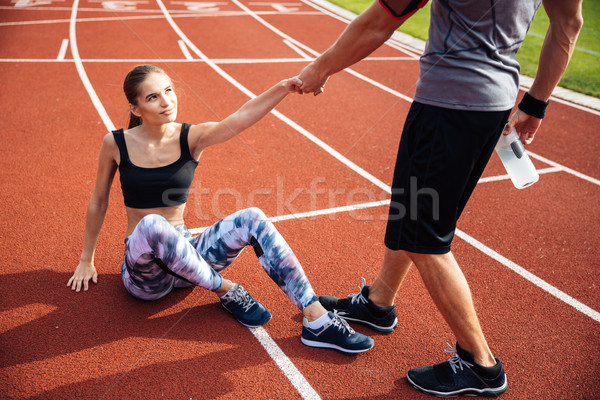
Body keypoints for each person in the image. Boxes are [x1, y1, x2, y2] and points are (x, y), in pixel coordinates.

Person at [296, 0, 583, 396]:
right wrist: (536, 102)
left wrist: (320, 67)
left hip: (448, 107)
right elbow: (569, 22)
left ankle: (480, 363)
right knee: (414, 215)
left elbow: (379, 21)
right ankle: (378, 303)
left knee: (425, 237)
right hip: (492, 105)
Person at [66, 64, 374, 354]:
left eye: (169, 90)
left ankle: (316, 318)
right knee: (151, 224)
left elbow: (240, 117)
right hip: (147, 276)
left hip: (189, 260)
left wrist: (283, 87)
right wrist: (85, 259)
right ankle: (226, 289)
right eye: (153, 96)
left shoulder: (191, 137)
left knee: (252, 217)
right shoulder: (116, 143)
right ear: (136, 108)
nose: (166, 101)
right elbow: (99, 200)